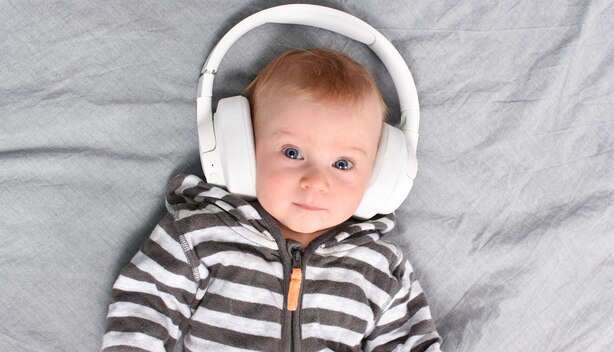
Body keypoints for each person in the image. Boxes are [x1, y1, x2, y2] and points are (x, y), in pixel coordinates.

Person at [101, 48, 442, 352]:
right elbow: (145, 303)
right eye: (292, 153)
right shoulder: (199, 236)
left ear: (380, 177)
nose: (316, 182)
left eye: (343, 164)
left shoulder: (380, 269)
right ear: (243, 153)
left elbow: (410, 342)